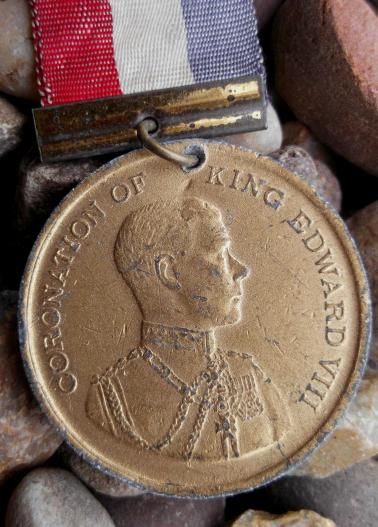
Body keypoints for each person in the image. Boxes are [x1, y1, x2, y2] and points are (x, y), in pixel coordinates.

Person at [86, 197, 290, 461]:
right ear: (168, 273)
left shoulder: (252, 376)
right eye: (220, 254)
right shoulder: (109, 400)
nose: (241, 269)